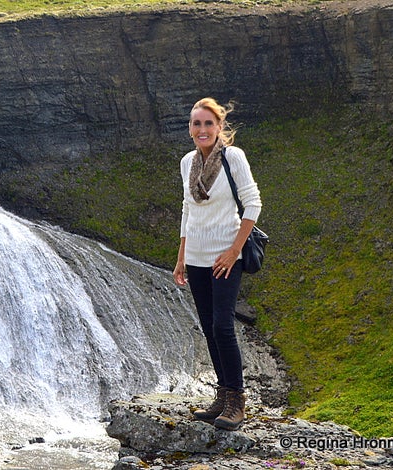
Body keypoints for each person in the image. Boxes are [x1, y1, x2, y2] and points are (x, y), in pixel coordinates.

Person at [173, 97, 262, 431]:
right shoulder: (187, 162)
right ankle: (222, 395)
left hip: (226, 254)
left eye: (208, 123)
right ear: (190, 129)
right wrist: (182, 257)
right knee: (209, 325)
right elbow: (187, 209)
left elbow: (253, 203)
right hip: (195, 256)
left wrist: (233, 251)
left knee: (223, 325)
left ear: (220, 127)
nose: (202, 129)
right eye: (196, 124)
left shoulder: (233, 157)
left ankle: (237, 399)